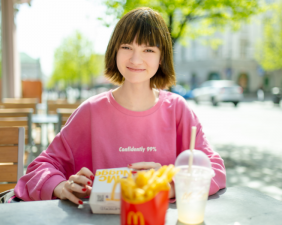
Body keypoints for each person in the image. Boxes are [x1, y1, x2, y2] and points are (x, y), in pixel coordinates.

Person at [14, 7, 226, 205]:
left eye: (148, 50)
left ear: (162, 57)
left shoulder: (178, 110)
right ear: (115, 51)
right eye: (127, 47)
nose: (136, 59)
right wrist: (60, 186)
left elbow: (214, 169)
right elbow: (40, 167)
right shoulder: (90, 111)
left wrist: (169, 185)